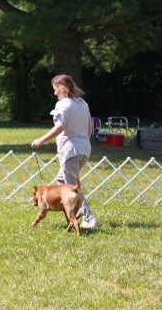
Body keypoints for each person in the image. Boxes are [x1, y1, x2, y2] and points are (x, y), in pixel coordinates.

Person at [31, 74, 98, 229]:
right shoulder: (83, 103)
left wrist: (41, 139)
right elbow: (89, 126)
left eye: (55, 89)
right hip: (84, 149)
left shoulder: (63, 105)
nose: (54, 93)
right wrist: (85, 142)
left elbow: (60, 127)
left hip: (71, 149)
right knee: (62, 181)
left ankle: (88, 218)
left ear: (62, 88)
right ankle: (77, 210)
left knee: (72, 187)